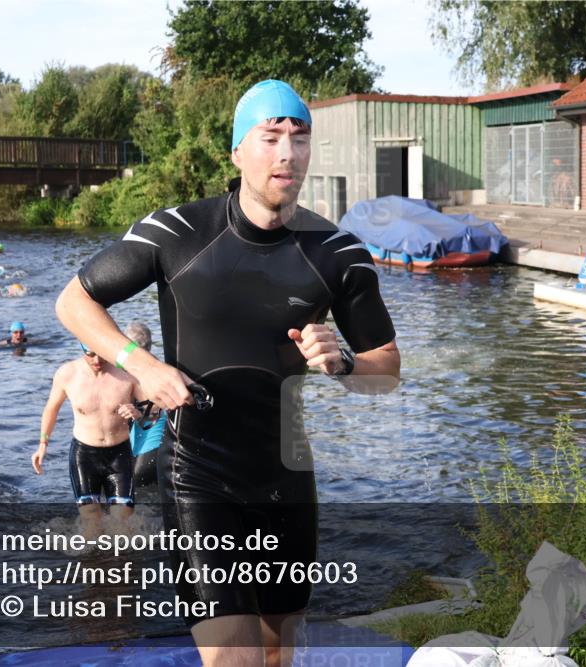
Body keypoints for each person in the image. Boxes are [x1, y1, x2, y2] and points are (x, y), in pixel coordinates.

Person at [55, 79, 400, 667]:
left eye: (299, 138)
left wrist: (343, 362)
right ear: (238, 151)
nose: (287, 153)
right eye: (270, 137)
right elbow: (74, 302)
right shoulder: (177, 233)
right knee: (233, 659)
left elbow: (386, 369)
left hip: (286, 471)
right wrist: (142, 364)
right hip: (198, 472)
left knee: (278, 651)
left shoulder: (338, 254)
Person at [32, 342, 146, 535]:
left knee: (124, 525)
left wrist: (138, 411)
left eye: (101, 354)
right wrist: (43, 444)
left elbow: (152, 410)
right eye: (90, 354)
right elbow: (51, 408)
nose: (97, 360)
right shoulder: (67, 374)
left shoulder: (127, 374)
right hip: (84, 455)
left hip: (119, 454)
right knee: (91, 523)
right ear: (81, 348)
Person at [115, 321, 166, 489]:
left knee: (135, 483)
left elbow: (156, 410)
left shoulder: (150, 373)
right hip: (143, 441)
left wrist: (137, 414)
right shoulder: (138, 369)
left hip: (153, 442)